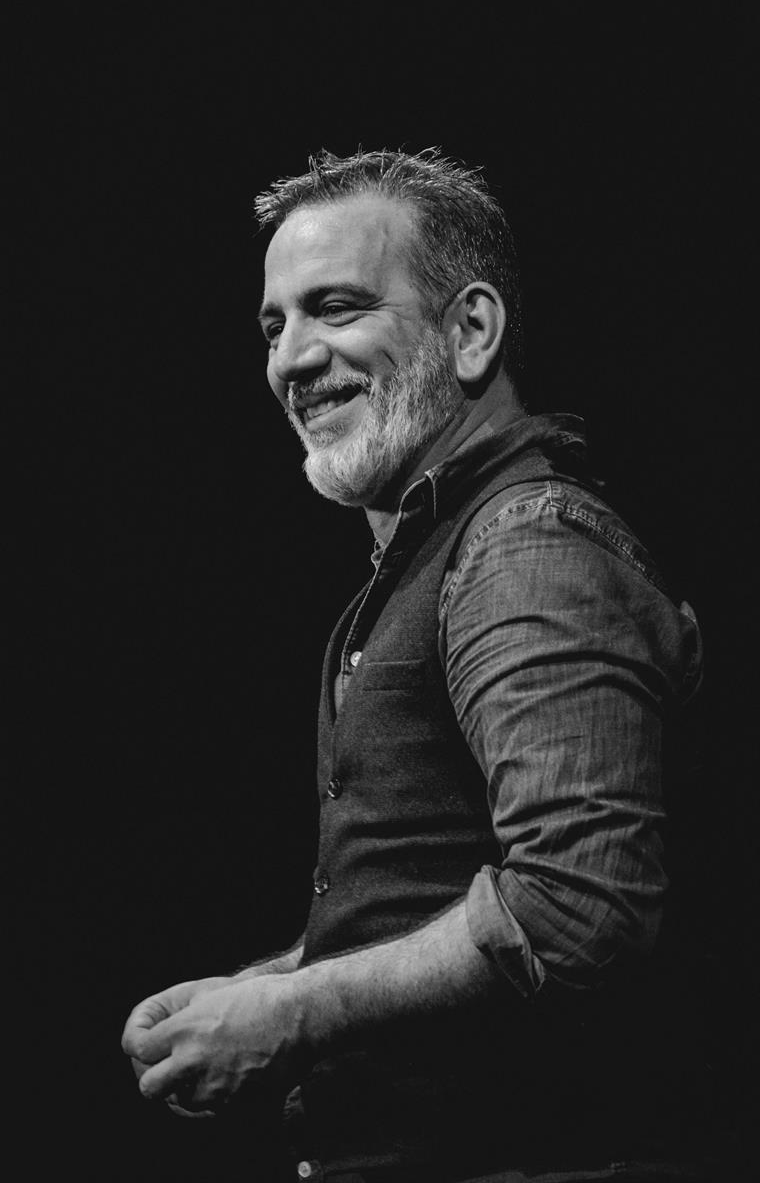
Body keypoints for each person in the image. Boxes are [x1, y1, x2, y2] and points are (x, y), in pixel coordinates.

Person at [122, 149, 704, 1182]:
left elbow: (581, 909)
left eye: (336, 308)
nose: (292, 360)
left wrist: (291, 1015)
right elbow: (427, 890)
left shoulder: (524, 547)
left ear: (470, 330)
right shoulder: (434, 560)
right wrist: (264, 989)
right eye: (273, 325)